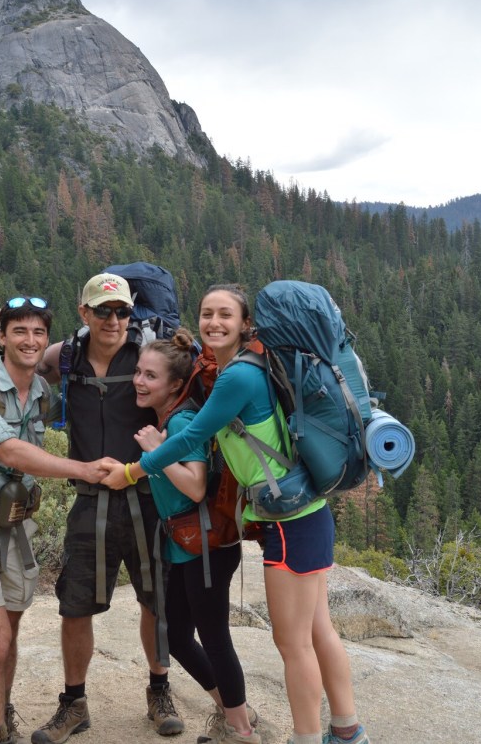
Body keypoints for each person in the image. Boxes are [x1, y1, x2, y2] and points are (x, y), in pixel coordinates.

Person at [108, 285, 371, 744]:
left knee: (293, 644)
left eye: (224, 314)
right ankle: (347, 732)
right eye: (206, 313)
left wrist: (132, 470)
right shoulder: (252, 366)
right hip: (307, 512)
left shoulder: (237, 378)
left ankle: (307, 737)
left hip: (290, 523)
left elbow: (190, 439)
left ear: (246, 322)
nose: (213, 322)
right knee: (318, 630)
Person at [0, 295, 118, 744]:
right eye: (19, 331)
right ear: (2, 338)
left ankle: (2, 712)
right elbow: (8, 450)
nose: (30, 340)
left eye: (38, 332)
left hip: (14, 524)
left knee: (11, 634)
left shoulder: (41, 394)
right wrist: (82, 469)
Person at [33, 273, 182, 743]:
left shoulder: (146, 355)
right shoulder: (67, 356)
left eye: (122, 311)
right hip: (89, 499)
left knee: (155, 600)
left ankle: (159, 691)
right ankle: (73, 704)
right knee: (74, 606)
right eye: (104, 311)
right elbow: (23, 369)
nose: (114, 320)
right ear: (85, 313)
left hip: (146, 496)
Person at [118, 329, 261, 743]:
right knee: (178, 636)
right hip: (186, 545)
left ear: (176, 385)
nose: (140, 382)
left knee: (215, 638)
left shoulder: (181, 420)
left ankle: (240, 730)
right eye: (139, 373)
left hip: (207, 548)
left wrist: (153, 454)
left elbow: (196, 486)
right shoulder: (169, 417)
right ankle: (233, 711)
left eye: (151, 376)